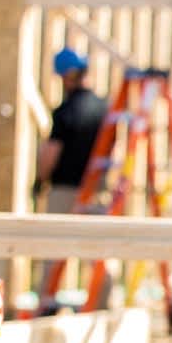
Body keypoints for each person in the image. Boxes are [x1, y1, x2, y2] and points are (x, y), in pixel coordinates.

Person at [35, 48, 109, 314]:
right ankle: (101, 304)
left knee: (54, 245)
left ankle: (47, 304)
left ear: (67, 76)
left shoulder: (65, 111)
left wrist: (39, 180)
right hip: (96, 189)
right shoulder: (105, 109)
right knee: (98, 249)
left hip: (65, 189)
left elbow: (51, 152)